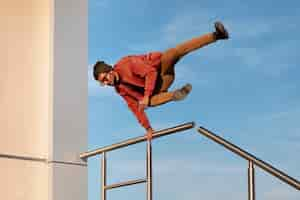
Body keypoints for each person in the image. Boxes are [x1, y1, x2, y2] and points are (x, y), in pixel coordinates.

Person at [93, 21, 229, 140]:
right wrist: (148, 129)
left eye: (105, 78)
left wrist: (146, 95)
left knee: (171, 54)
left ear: (109, 70)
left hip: (161, 71)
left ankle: (216, 35)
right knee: (147, 102)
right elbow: (135, 108)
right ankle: (176, 95)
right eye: (103, 83)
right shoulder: (120, 89)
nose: (106, 83)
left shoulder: (127, 64)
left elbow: (150, 72)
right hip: (160, 87)